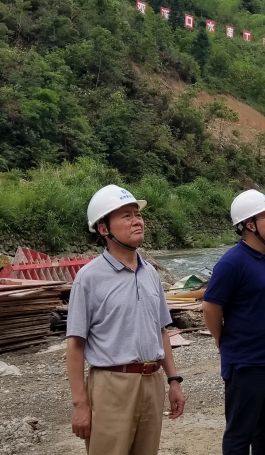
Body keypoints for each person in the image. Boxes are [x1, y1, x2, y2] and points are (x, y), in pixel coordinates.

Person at [66, 185, 186, 455]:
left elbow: (161, 331)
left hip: (152, 381)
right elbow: (75, 345)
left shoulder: (150, 273)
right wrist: (80, 404)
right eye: (126, 216)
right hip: (112, 385)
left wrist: (173, 381)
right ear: (103, 229)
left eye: (138, 214)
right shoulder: (89, 278)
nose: (137, 221)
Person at [203, 189, 265, 455]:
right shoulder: (232, 263)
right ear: (250, 225)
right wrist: (221, 340)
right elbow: (211, 306)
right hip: (247, 363)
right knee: (241, 433)